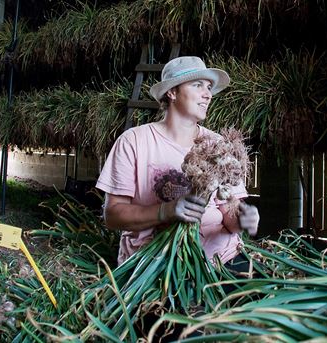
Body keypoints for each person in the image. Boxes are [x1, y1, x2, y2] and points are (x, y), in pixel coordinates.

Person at [96, 56, 260, 272]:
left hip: (222, 259)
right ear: (171, 92)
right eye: (197, 85)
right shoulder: (134, 141)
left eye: (209, 87)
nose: (208, 94)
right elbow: (113, 215)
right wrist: (167, 211)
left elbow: (230, 213)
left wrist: (243, 219)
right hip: (156, 265)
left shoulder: (217, 145)